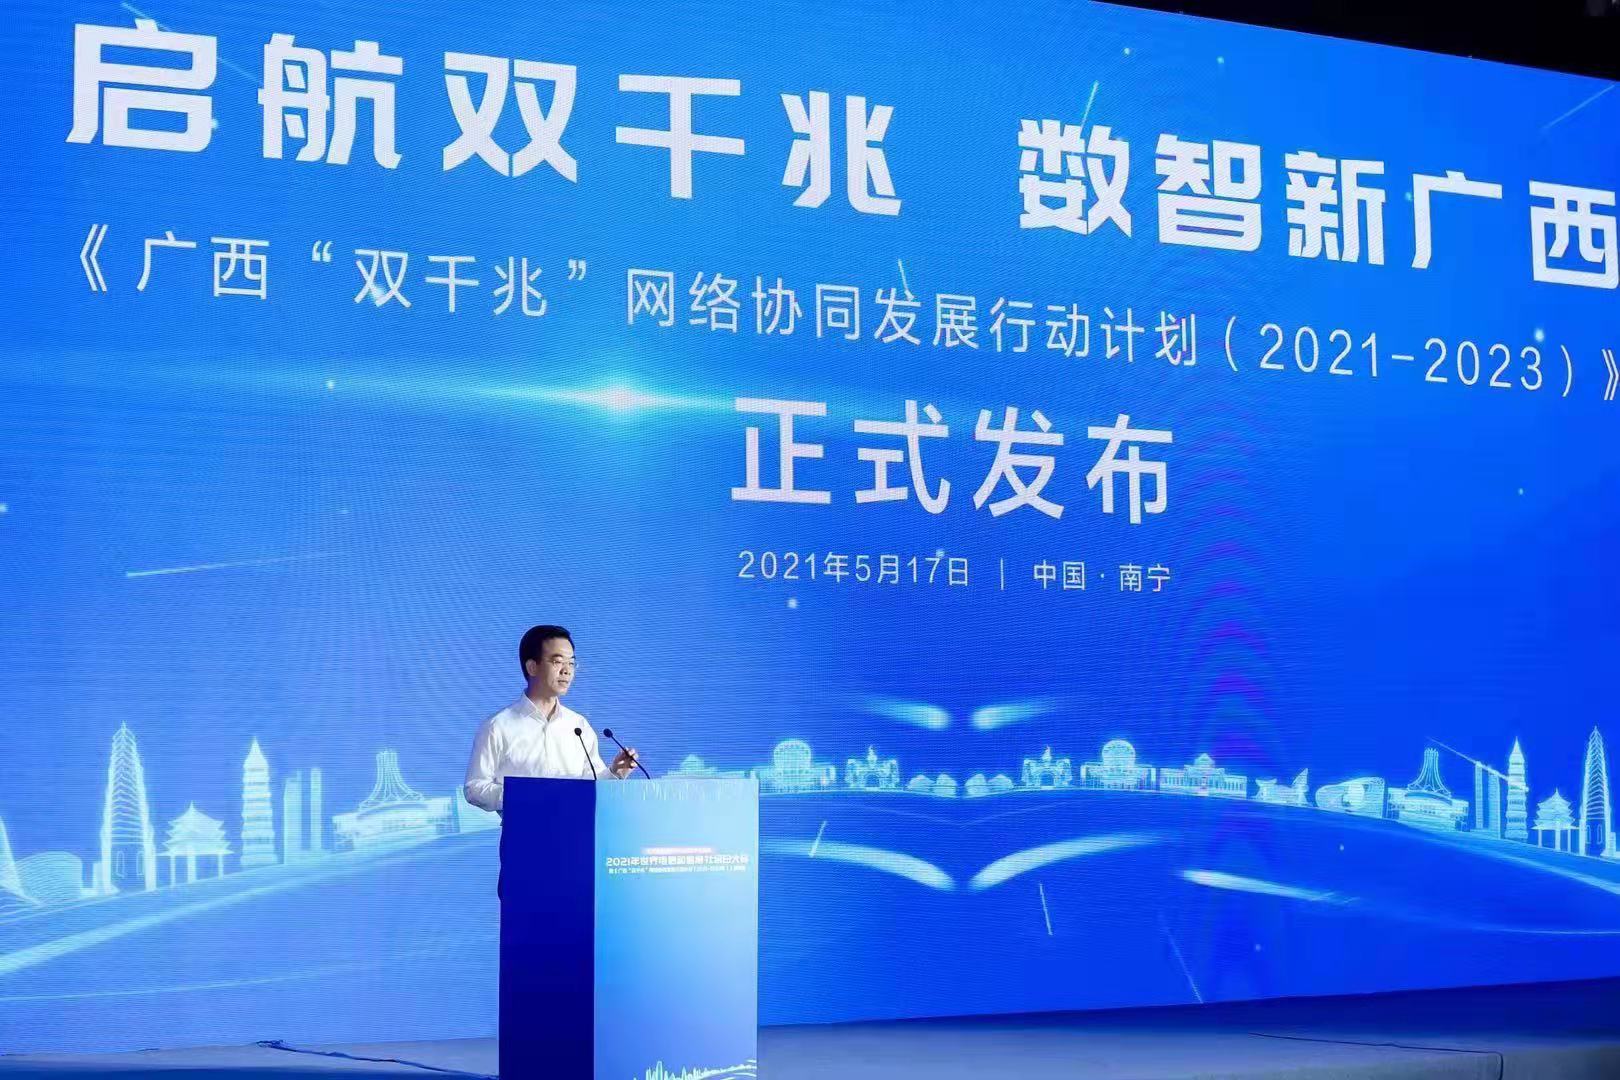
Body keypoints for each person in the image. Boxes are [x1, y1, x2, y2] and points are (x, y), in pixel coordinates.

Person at [464, 624, 639, 821]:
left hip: (576, 829)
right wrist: (522, 795)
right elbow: (474, 788)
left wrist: (615, 773)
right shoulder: (498, 726)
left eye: (571, 663)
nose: (567, 671)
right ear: (532, 667)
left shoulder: (578, 725)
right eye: (557, 662)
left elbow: (590, 785)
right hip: (524, 832)